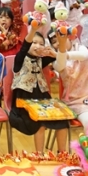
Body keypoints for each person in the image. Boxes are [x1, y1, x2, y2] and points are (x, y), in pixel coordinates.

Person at [9, 18, 71, 152]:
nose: (37, 46)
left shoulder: (41, 60)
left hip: (42, 100)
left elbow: (60, 58)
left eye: (41, 44)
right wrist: (33, 30)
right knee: (40, 123)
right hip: (23, 102)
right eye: (34, 42)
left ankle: (62, 153)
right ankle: (39, 155)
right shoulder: (19, 59)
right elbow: (24, 47)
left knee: (62, 121)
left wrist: (54, 50)